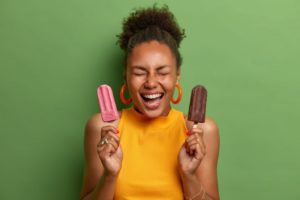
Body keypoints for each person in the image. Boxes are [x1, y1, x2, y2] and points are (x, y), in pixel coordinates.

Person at [80, 5, 220, 200]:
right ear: (126, 76)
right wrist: (110, 175)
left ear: (177, 76)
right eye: (139, 72)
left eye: (162, 72)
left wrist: (188, 176)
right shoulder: (103, 128)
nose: (151, 83)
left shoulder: (201, 130)